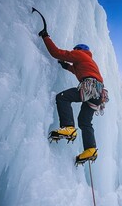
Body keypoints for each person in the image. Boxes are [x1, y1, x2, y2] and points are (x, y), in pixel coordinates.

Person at [38, 29, 108, 165]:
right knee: (84, 121)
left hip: (90, 87)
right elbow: (75, 70)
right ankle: (90, 149)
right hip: (98, 94)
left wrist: (46, 37)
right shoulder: (89, 62)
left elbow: (56, 53)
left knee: (62, 97)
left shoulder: (79, 54)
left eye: (74, 50)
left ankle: (68, 127)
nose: (73, 52)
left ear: (78, 50)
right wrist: (65, 66)